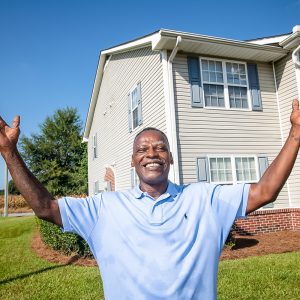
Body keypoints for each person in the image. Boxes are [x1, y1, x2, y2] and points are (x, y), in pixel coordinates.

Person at [1, 99, 300, 299]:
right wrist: (10, 154)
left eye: (160, 148)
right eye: (142, 149)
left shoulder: (204, 199)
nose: (152, 153)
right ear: (133, 161)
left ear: (170, 157)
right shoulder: (105, 209)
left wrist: (296, 134)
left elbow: (264, 191)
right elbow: (45, 208)